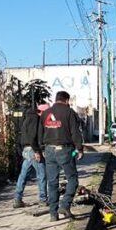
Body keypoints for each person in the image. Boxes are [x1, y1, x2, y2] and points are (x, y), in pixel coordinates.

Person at [39, 90, 84, 221]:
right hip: (64, 150)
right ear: (66, 100)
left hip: (49, 150)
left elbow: (40, 132)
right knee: (73, 179)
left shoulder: (46, 113)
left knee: (52, 182)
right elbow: (75, 132)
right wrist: (79, 149)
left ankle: (53, 214)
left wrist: (41, 148)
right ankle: (64, 205)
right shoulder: (69, 112)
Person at [13, 101, 47, 208]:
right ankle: (43, 199)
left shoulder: (27, 119)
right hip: (33, 150)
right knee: (42, 175)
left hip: (26, 149)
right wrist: (37, 151)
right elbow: (33, 137)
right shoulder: (35, 119)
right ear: (41, 112)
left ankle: (17, 199)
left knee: (23, 175)